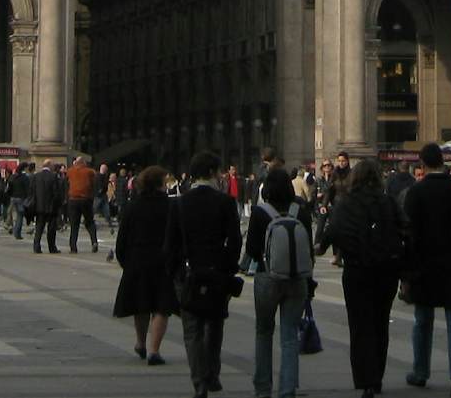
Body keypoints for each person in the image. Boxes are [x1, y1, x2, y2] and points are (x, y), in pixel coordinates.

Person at [324, 157, 404, 398]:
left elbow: (334, 231)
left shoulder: (346, 203)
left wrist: (334, 248)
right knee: (380, 323)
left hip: (357, 270)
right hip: (386, 271)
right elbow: (405, 229)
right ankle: (377, 376)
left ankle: (366, 379)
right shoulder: (388, 202)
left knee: (360, 326)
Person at [167, 150, 243, 398]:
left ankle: (199, 381)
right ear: (212, 173)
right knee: (214, 324)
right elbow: (234, 240)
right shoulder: (225, 202)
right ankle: (212, 373)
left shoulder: (179, 203)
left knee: (192, 331)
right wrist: (229, 269)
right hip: (216, 274)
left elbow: (171, 244)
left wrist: (174, 274)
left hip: (188, 274)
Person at [402, 142, 451, 397]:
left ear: (422, 163)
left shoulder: (415, 193)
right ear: (443, 162)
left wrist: (407, 271)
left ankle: (420, 372)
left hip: (424, 265)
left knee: (423, 320)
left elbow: (407, 234)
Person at [246, 168, 310, 398]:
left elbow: (252, 250)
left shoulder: (260, 212)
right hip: (296, 280)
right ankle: (288, 389)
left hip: (267, 278)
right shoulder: (300, 211)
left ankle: (263, 388)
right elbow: (308, 251)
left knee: (263, 332)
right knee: (290, 336)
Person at [113, 164, 178, 366]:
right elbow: (176, 237)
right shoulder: (170, 207)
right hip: (162, 260)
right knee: (161, 307)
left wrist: (126, 262)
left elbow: (122, 240)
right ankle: (154, 351)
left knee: (140, 304)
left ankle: (140, 343)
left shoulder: (133, 206)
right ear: (160, 183)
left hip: (137, 260)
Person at [32, 158, 67, 253]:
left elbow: (32, 191)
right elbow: (56, 192)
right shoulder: (53, 176)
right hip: (51, 206)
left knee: (39, 227)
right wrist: (58, 204)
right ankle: (52, 247)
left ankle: (36, 246)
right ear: (49, 166)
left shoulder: (36, 176)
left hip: (39, 206)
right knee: (51, 228)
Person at [67, 153, 100, 252]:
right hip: (86, 200)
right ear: (84, 163)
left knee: (74, 224)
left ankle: (73, 247)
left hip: (73, 200)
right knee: (89, 222)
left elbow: (67, 181)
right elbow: (95, 182)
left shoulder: (70, 171)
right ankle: (94, 241)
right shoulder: (89, 171)